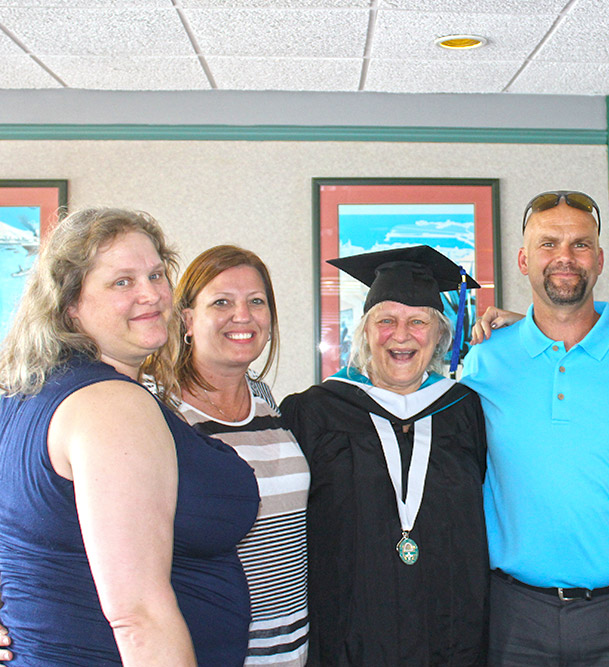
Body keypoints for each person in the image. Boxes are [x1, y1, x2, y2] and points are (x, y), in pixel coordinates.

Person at [0, 208, 259, 665]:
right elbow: (137, 617)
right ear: (70, 304)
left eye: (156, 274)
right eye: (122, 282)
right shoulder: (110, 404)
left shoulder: (24, 393)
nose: (153, 294)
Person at [462, 190, 609, 665]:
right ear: (522, 259)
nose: (564, 258)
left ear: (598, 260)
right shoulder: (485, 362)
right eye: (548, 244)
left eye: (579, 245)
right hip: (514, 616)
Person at [280, 245, 489, 665]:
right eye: (386, 320)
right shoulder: (314, 411)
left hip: (449, 634)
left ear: (440, 335)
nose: (401, 334)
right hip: (348, 633)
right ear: (365, 332)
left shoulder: (464, 409)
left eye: (417, 321)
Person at [172, 245, 309, 665]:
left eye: (256, 302)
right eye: (221, 302)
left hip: (292, 646)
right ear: (187, 320)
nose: (243, 316)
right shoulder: (159, 410)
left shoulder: (267, 399)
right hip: (209, 645)